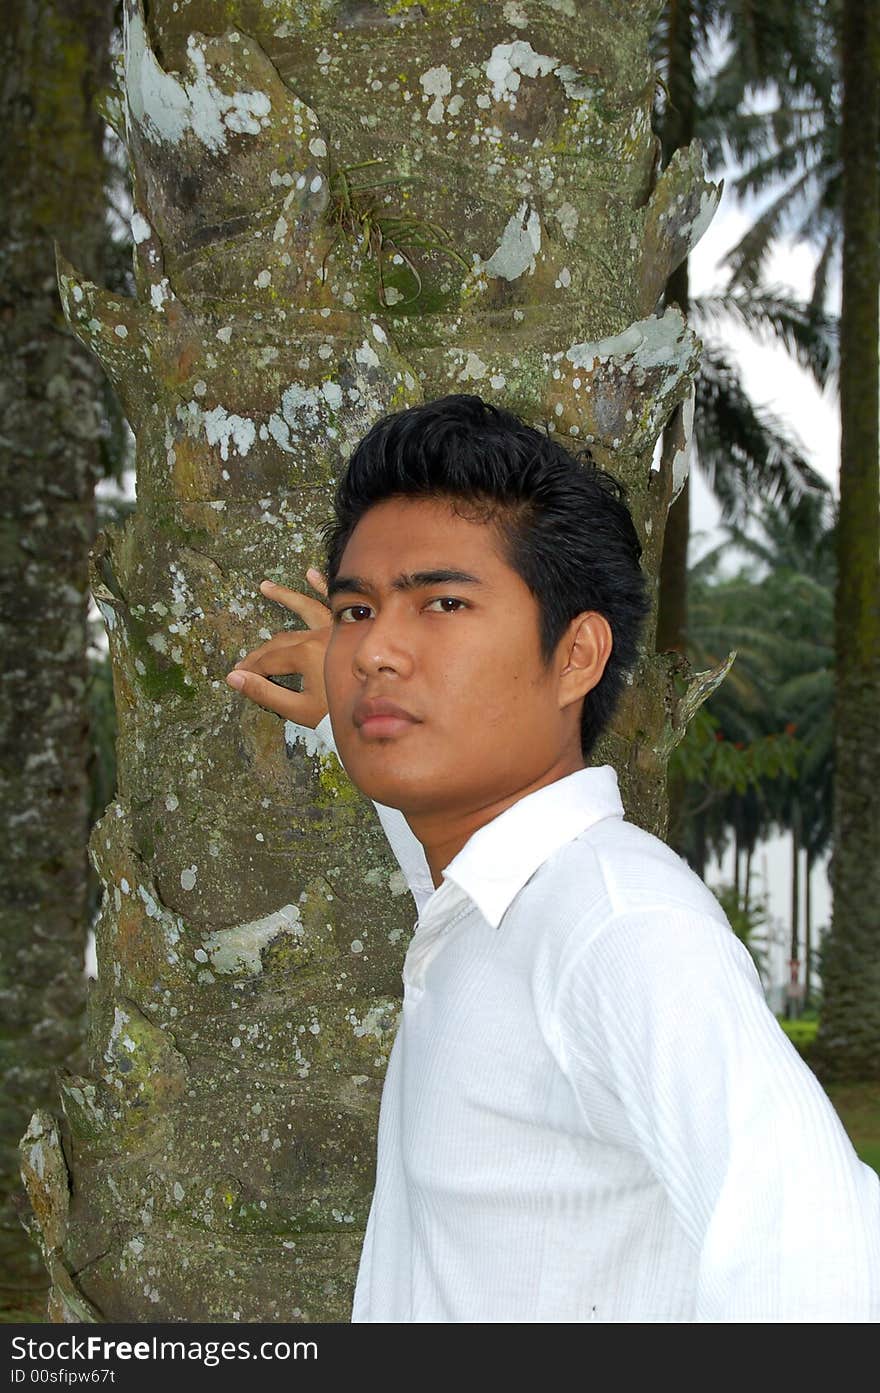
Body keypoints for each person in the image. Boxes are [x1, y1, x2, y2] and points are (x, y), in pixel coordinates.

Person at [225, 393, 880, 1322]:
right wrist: (350, 708)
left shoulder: (618, 925)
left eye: (443, 602)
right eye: (359, 609)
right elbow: (450, 865)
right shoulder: (491, 893)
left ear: (576, 657)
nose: (376, 649)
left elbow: (821, 1263)